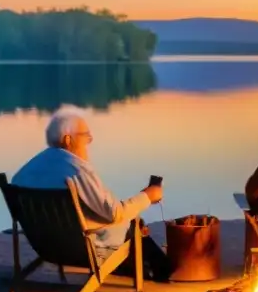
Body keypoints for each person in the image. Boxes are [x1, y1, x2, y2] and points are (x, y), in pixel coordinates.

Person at [12, 104, 171, 281]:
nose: (90, 140)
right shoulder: (77, 171)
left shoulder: (24, 173)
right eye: (85, 136)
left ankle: (143, 267)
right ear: (67, 139)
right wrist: (148, 196)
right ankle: (164, 270)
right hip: (83, 251)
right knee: (132, 225)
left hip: (46, 247)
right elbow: (114, 213)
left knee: (129, 221)